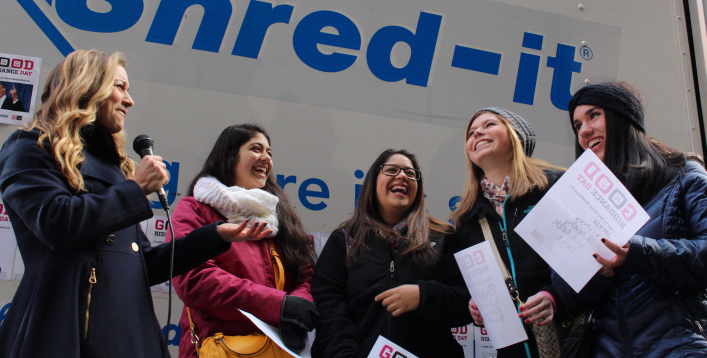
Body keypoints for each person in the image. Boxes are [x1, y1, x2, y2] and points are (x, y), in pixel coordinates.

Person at [0, 50, 263, 358]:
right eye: (120, 87)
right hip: (69, 328)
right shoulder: (31, 145)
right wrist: (136, 187)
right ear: (87, 86)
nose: (129, 100)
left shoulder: (111, 166)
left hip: (130, 332)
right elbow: (56, 222)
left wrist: (214, 236)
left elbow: (141, 265)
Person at [562, 82, 707, 357]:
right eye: (577, 126)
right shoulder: (584, 201)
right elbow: (572, 295)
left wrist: (636, 252)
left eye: (594, 116)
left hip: (684, 348)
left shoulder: (684, 175)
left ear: (624, 119)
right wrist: (598, 273)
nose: (584, 131)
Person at [170, 124, 318, 357]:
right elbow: (194, 278)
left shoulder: (279, 216)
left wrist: (296, 306)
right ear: (229, 157)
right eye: (256, 149)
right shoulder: (195, 209)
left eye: (269, 152)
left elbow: (304, 273)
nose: (266, 158)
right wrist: (278, 306)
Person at [311, 149, 470, 358]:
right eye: (392, 170)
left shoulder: (444, 238)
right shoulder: (344, 240)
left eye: (410, 173)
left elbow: (468, 302)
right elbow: (329, 308)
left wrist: (424, 296)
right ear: (372, 182)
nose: (402, 176)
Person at [451, 107, 565, 358]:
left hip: (569, 339)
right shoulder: (467, 218)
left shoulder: (554, 185)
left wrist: (555, 296)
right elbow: (466, 286)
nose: (477, 132)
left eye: (489, 124)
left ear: (516, 136)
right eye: (471, 133)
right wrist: (475, 304)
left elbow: (591, 262)